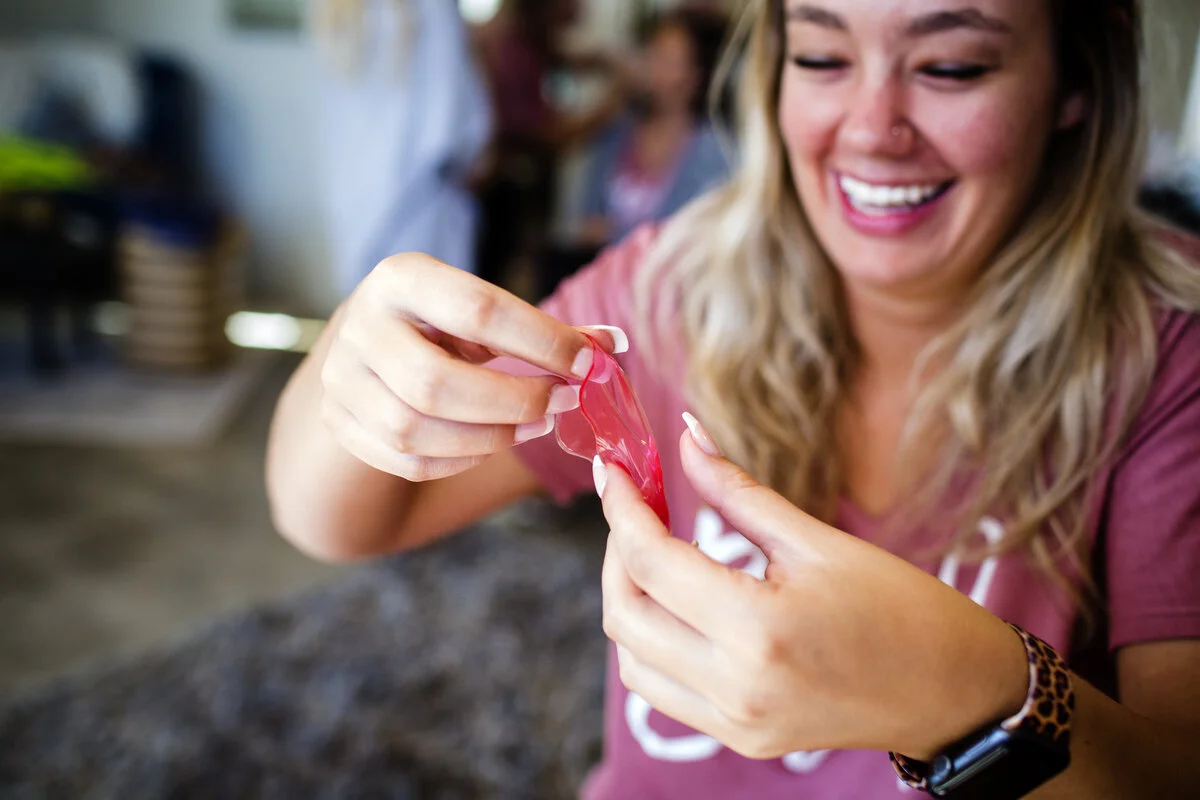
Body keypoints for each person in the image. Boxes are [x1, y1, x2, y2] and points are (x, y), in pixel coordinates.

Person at [268, 0, 1200, 797]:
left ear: (1075, 81)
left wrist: (966, 692)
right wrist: (354, 360)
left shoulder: (1168, 349)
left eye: (952, 66)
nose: (871, 125)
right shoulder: (663, 293)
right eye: (822, 57)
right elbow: (342, 521)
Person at [312, 0, 492, 295]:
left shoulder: (333, 11)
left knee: (368, 311)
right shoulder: (430, 8)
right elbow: (455, 108)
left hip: (356, 192)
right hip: (423, 191)